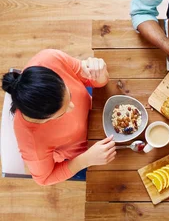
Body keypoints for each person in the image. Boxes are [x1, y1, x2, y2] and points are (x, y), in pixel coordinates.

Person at [1, 49, 116, 185]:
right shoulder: (32, 141)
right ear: (43, 120)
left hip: (101, 112)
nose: (73, 107)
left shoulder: (50, 59)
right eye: (62, 113)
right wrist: (85, 160)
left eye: (70, 95)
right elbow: (44, 179)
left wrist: (99, 73)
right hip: (91, 150)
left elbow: (96, 81)